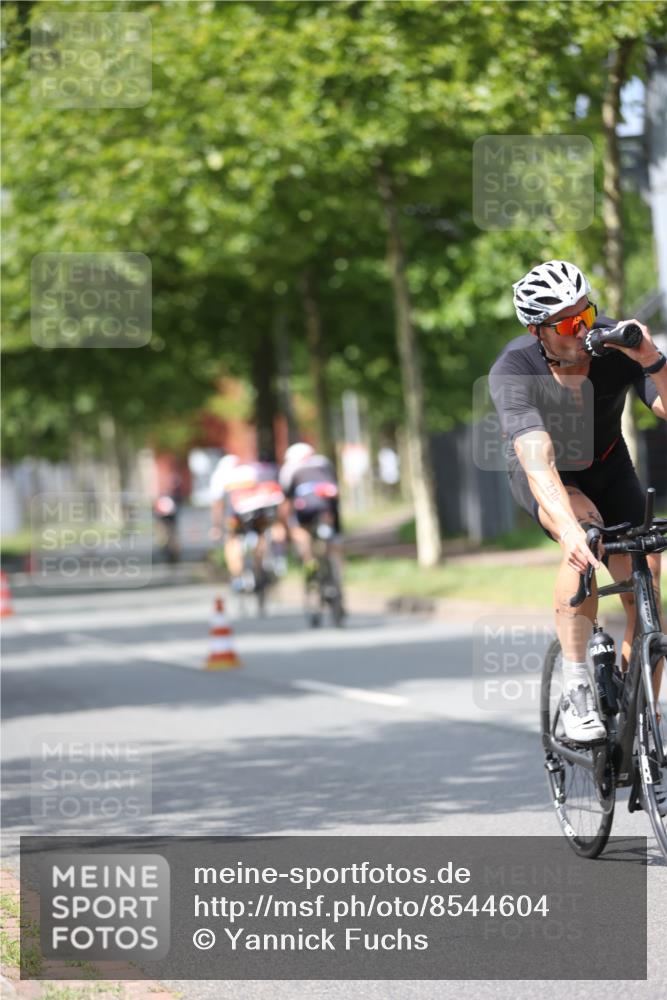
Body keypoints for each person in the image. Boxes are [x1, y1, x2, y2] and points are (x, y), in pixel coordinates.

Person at [490, 259, 666, 741]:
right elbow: (535, 453)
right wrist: (567, 527)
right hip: (548, 474)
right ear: (537, 330)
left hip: (610, 466)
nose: (585, 328)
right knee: (586, 534)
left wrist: (651, 358)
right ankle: (577, 688)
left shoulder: (613, 341)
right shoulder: (515, 368)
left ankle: (640, 727)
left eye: (587, 312)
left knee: (648, 582)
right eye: (570, 323)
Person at [209, 453, 285, 590]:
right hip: (257, 510)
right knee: (262, 532)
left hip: (235, 513)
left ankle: (237, 576)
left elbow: (218, 505)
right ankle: (262, 564)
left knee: (231, 539)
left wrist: (216, 526)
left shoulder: (219, 476)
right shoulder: (251, 470)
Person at [279, 442, 343, 584]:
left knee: (299, 531)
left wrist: (286, 524)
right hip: (328, 505)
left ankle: (309, 561)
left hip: (306, 508)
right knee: (333, 538)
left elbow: (287, 500)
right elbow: (335, 486)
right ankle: (337, 569)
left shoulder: (289, 469)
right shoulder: (323, 462)